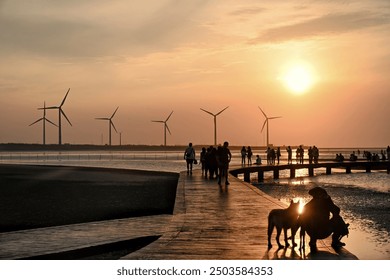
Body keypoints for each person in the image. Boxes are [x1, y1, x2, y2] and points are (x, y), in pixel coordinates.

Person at [300, 186, 349, 251]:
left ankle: (313, 241)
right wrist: (329, 199)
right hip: (323, 230)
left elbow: (302, 216)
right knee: (338, 219)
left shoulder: (309, 204)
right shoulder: (326, 203)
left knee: (311, 221)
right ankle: (335, 241)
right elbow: (336, 211)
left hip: (312, 232)